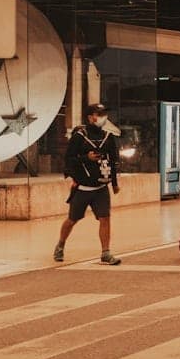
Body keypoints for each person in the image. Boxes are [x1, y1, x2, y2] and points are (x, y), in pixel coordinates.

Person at [54, 103, 122, 265]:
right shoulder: (79, 136)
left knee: (105, 218)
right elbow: (69, 160)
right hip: (83, 188)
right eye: (99, 114)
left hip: (101, 187)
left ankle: (106, 252)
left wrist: (114, 183)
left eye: (103, 114)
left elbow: (114, 161)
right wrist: (86, 158)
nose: (102, 117)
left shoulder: (108, 136)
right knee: (72, 219)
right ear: (90, 117)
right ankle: (60, 245)